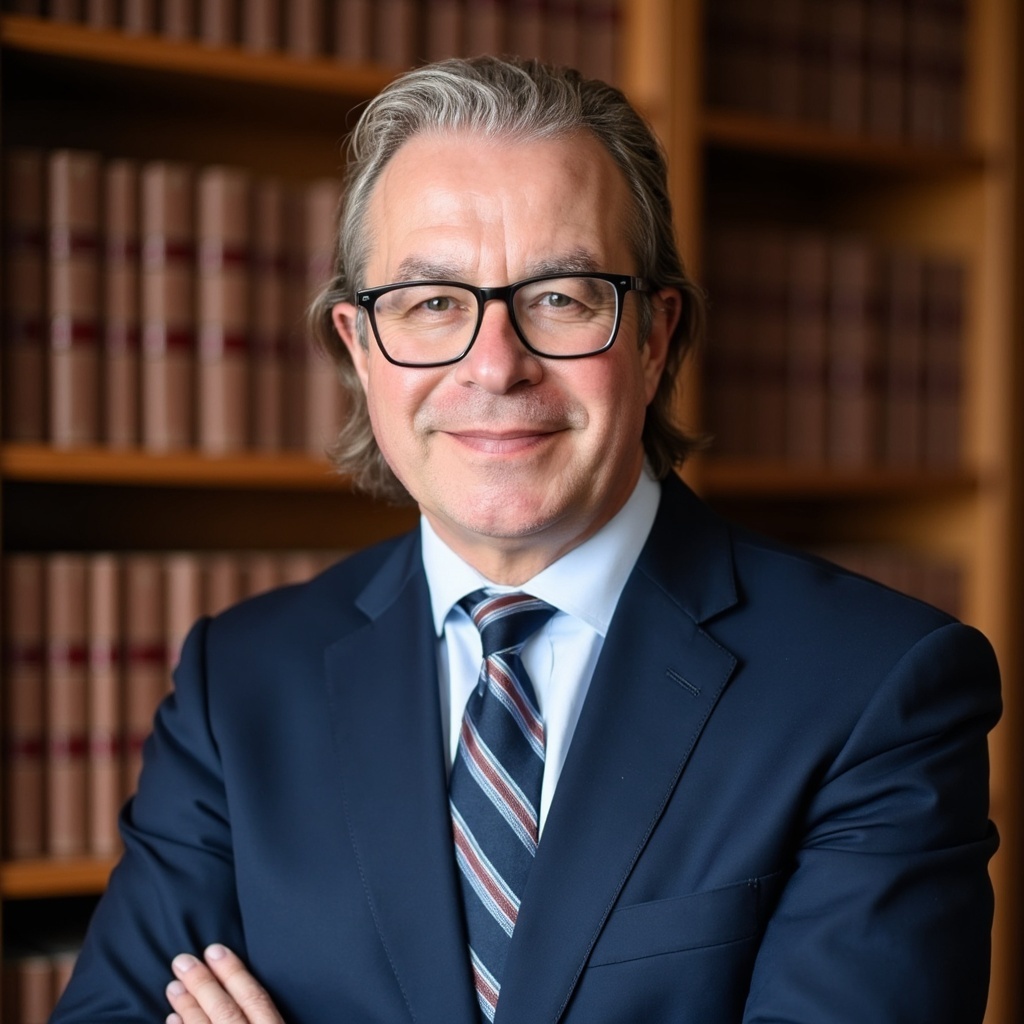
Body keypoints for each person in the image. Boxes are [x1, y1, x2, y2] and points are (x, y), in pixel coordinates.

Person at [52, 56, 1001, 1024]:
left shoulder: (874, 685)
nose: (495, 365)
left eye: (561, 296)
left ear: (653, 336)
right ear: (357, 344)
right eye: (431, 304)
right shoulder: (241, 677)